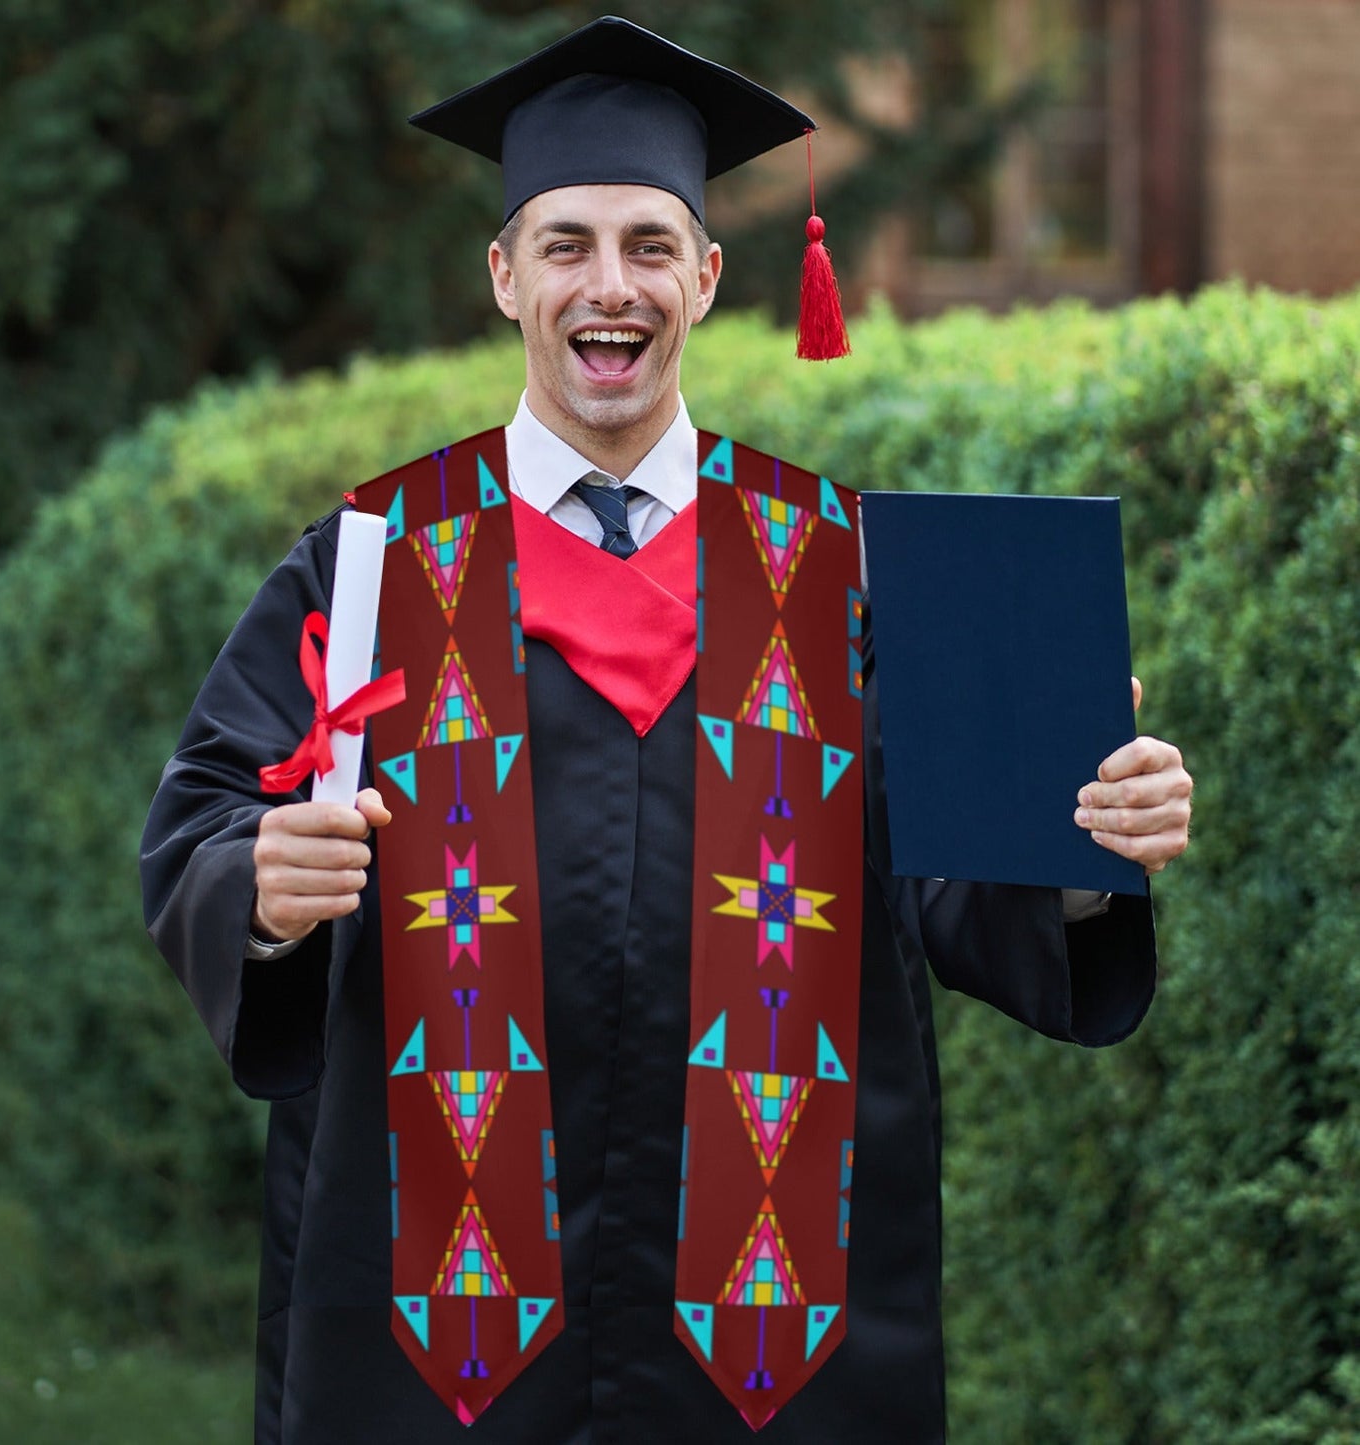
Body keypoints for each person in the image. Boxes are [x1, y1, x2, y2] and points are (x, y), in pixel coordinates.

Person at [140, 17, 1192, 1445]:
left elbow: (956, 883)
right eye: (564, 244)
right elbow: (205, 818)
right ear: (503, 275)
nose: (607, 285)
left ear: (705, 275)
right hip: (437, 1331)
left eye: (647, 244)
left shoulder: (843, 568)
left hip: (776, 1324)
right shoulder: (378, 562)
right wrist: (258, 888)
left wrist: (1081, 842)